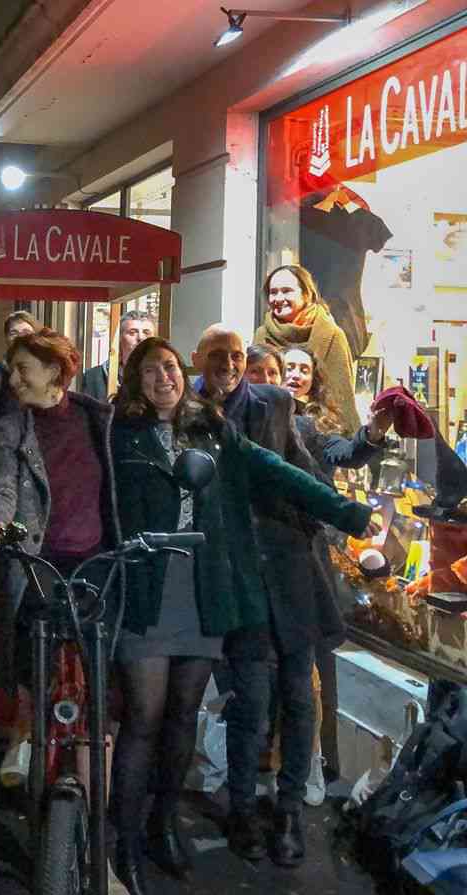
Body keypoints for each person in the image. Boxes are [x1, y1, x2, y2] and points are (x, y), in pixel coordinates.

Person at [107, 337, 374, 888]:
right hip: (146, 589)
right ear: (135, 381)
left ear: (185, 375)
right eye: (152, 370)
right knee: (142, 718)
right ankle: (125, 841)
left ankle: (164, 827)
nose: (164, 378)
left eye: (171, 367)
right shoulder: (117, 433)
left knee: (183, 714)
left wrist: (347, 512)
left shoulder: (212, 429)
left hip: (203, 591)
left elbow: (276, 470)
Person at [191, 324, 329, 866]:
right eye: (217, 355)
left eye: (234, 355)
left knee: (298, 696)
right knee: (250, 700)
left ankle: (288, 807)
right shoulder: (186, 411)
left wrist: (317, 516)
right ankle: (244, 807)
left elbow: (307, 472)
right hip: (235, 579)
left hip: (289, 573)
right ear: (199, 359)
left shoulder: (275, 403)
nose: (227, 364)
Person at [0, 329, 121, 779]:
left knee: (96, 686)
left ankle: (93, 819)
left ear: (55, 371)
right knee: (30, 663)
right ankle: (23, 734)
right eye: (12, 368)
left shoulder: (100, 419)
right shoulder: (12, 427)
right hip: (39, 563)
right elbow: (3, 486)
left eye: (23, 369)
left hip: (97, 563)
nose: (13, 378)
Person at [280, 344, 392, 802]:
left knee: (318, 654)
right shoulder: (253, 416)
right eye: (288, 367)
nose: (295, 375)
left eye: (303, 369)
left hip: (312, 549)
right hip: (266, 548)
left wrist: (372, 431)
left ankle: (320, 764)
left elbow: (349, 453)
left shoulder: (316, 426)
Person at [254, 264, 360, 431]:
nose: (278, 298)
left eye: (287, 291)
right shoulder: (262, 335)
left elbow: (342, 397)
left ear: (306, 294)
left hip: (320, 431)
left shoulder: (331, 335)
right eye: (273, 292)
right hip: (270, 430)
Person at [80, 309, 154, 401]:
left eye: (146, 333)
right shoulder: (93, 378)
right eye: (132, 332)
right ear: (119, 338)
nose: (140, 338)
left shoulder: (161, 377)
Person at [0, 310, 41, 415]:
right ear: (6, 338)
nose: (20, 337)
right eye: (13, 333)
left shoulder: (45, 374)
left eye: (26, 332)